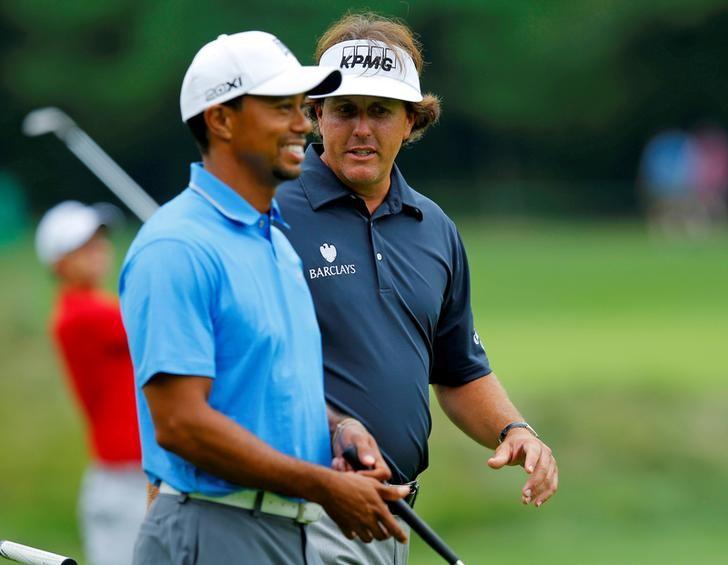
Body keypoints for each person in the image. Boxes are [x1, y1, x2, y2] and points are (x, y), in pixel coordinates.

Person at [275, 13, 559, 564]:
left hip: (390, 521)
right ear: (315, 116)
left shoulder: (433, 228)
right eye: (344, 110)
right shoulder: (269, 212)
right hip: (296, 512)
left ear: (411, 121)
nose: (362, 128)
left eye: (380, 111)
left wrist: (513, 428)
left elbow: (458, 368)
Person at [119, 31, 411, 565]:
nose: (303, 123)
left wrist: (338, 428)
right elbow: (182, 425)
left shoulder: (272, 242)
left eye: (302, 108)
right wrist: (324, 486)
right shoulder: (177, 245)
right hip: (214, 525)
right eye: (281, 109)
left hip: (280, 531)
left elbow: (274, 385)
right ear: (221, 120)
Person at [35, 201, 146, 565]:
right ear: (59, 263)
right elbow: (158, 319)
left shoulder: (101, 306)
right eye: (82, 246)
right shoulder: (81, 316)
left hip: (137, 474)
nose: (97, 250)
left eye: (98, 240)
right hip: (121, 481)